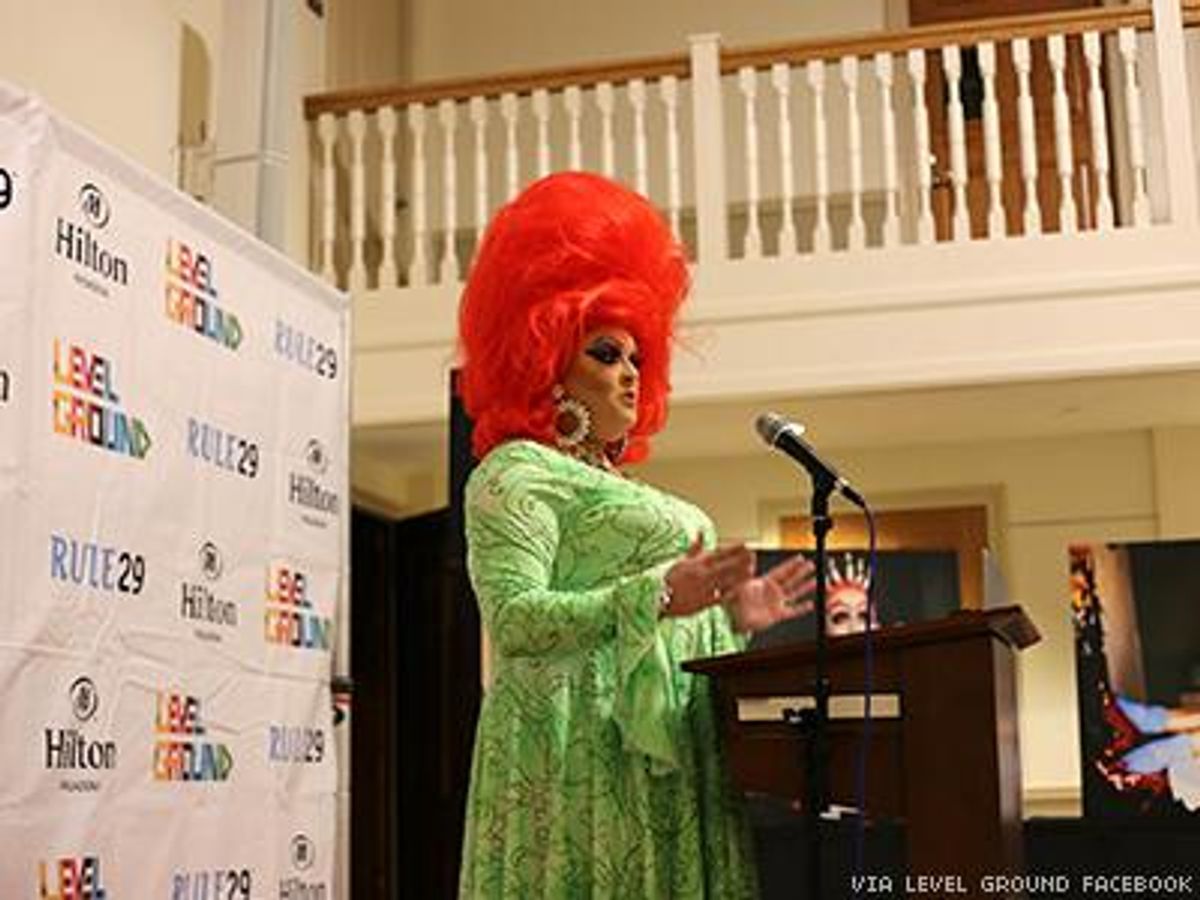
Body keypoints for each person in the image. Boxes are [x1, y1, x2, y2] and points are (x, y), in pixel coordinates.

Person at [455, 171, 816, 898]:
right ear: (546, 359)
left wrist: (730, 620)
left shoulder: (626, 487)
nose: (629, 375)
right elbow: (515, 619)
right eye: (605, 353)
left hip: (667, 742)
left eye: (637, 359)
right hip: (582, 745)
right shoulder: (514, 472)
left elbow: (658, 623)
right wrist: (659, 595)